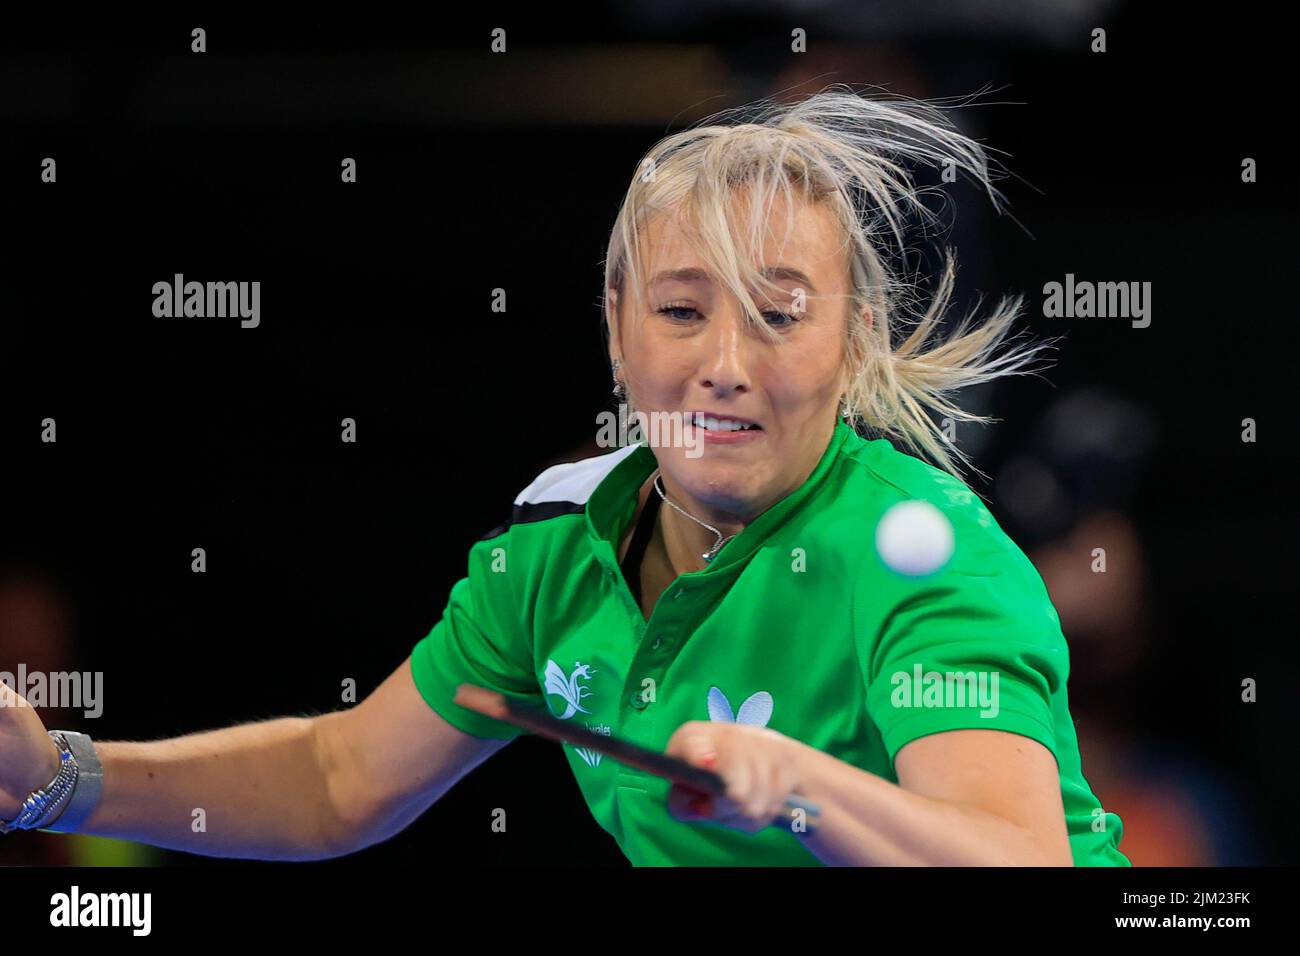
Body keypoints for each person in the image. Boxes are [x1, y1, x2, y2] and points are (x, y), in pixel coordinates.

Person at [0, 86, 1127, 866]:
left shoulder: (924, 559)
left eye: (780, 316)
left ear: (852, 341)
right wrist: (57, 775)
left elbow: (1016, 859)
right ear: (616, 329)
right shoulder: (558, 551)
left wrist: (798, 783)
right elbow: (339, 778)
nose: (724, 366)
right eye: (681, 310)